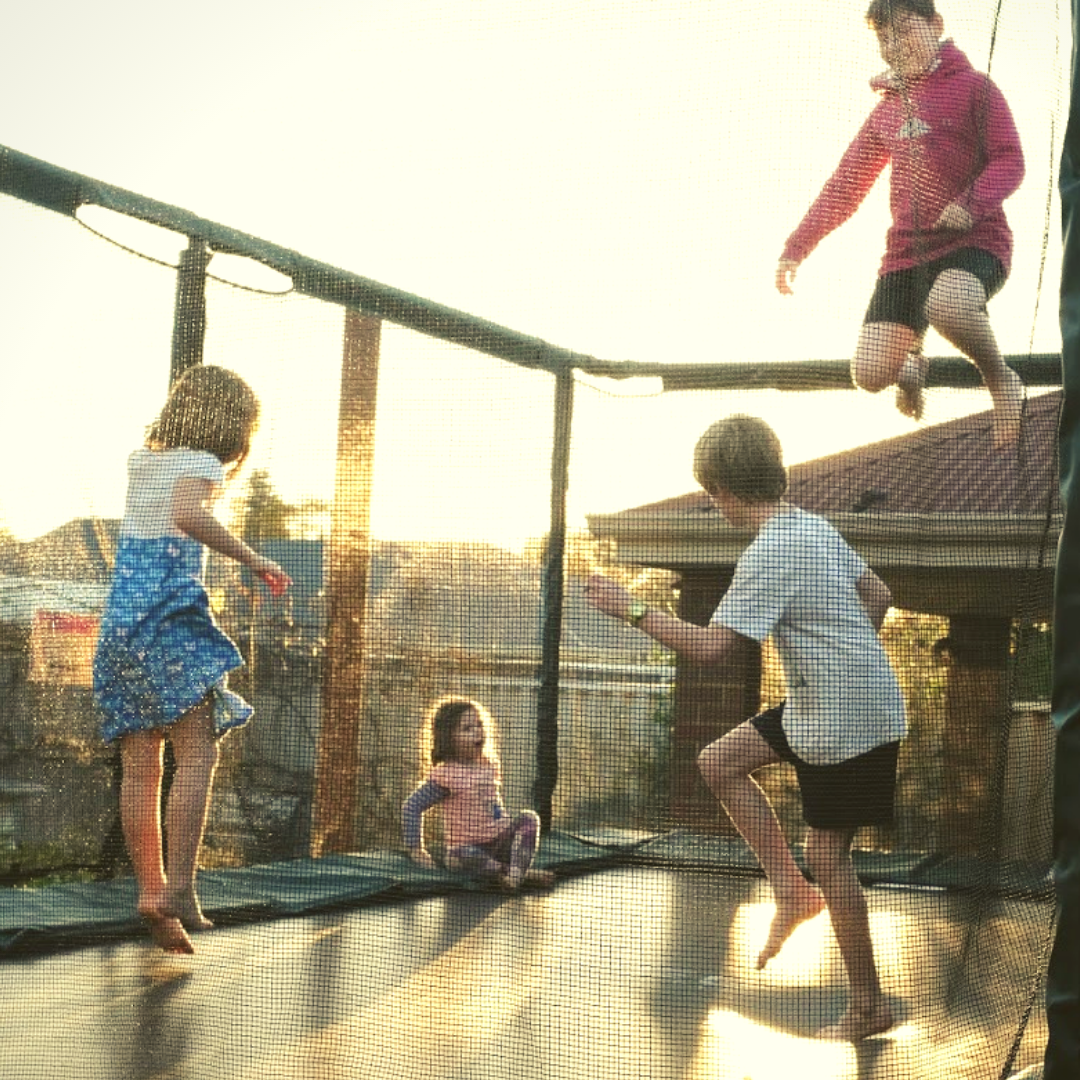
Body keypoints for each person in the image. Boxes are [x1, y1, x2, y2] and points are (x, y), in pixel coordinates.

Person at [585, 414, 906, 1042]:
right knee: (718, 762)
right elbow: (879, 593)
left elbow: (711, 651)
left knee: (828, 855)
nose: (712, 504)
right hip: (835, 701)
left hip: (843, 718)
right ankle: (790, 890)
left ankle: (868, 1006)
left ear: (726, 493)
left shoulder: (768, 553)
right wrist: (840, 653)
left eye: (712, 494)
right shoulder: (810, 526)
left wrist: (632, 607)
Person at [93, 365, 291, 954]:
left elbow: (162, 517)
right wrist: (255, 560)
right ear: (233, 428)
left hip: (122, 630)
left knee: (141, 768)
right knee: (197, 753)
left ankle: (151, 889)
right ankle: (180, 885)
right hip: (169, 627)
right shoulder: (201, 466)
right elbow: (187, 515)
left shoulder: (142, 462)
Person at [775, 0, 1025, 449]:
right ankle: (912, 361)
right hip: (907, 257)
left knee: (947, 305)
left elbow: (1010, 160)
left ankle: (1001, 380)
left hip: (973, 243)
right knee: (869, 373)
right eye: (884, 39)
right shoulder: (887, 111)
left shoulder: (974, 88)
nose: (894, 46)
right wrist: (797, 246)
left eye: (905, 31)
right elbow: (845, 186)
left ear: (936, 25)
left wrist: (971, 202)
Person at [402, 697, 555, 891]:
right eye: (467, 728)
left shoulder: (487, 765)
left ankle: (514, 875)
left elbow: (492, 805)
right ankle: (516, 873)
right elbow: (412, 806)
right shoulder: (448, 774)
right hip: (468, 850)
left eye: (479, 725)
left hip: (499, 844)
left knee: (529, 818)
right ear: (448, 738)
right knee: (460, 856)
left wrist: (503, 824)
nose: (477, 731)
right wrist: (416, 849)